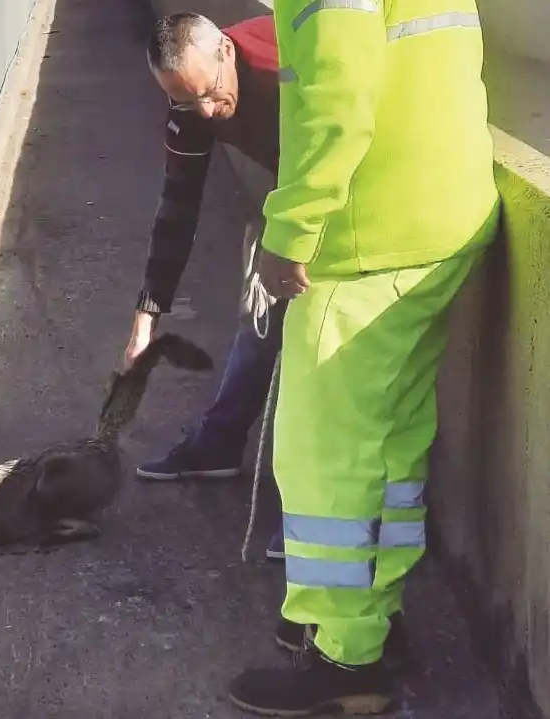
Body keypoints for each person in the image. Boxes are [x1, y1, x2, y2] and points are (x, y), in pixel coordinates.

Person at [221, 0, 500, 716]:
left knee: (324, 456)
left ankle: (345, 657)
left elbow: (336, 96)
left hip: (368, 238)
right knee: (389, 445)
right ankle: (375, 619)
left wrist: (292, 227)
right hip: (439, 217)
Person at [125, 13, 288, 561]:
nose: (208, 113)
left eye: (212, 96)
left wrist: (295, 236)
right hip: (291, 195)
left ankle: (320, 510)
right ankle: (217, 443)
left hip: (354, 188)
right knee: (259, 315)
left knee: (317, 345)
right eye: (189, 103)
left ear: (227, 51)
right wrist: (148, 313)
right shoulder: (191, 100)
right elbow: (178, 204)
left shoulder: (278, 63)